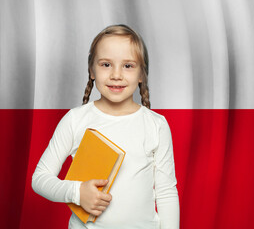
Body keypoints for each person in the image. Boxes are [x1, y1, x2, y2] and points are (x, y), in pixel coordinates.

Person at [32, 24, 180, 229]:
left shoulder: (156, 125)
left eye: (128, 65)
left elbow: (166, 192)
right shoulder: (75, 120)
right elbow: (40, 179)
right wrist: (77, 192)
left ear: (141, 75)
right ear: (92, 70)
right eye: (106, 64)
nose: (116, 74)